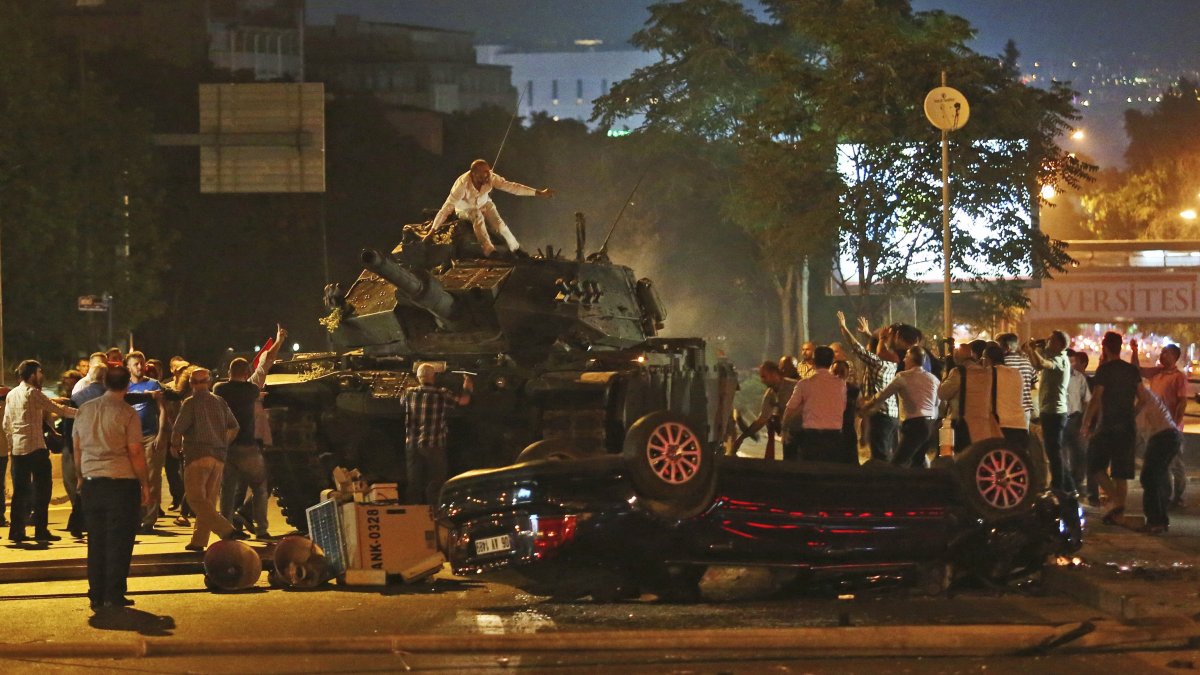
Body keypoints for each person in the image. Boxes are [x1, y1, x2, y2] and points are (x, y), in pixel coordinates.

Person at [72, 365, 152, 611]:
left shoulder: (84, 410)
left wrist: (81, 476)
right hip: (121, 483)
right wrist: (145, 483)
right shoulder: (127, 413)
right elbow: (135, 451)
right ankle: (114, 593)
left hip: (92, 483)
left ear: (105, 383)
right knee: (120, 540)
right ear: (128, 385)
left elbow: (77, 448)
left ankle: (95, 592)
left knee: (96, 540)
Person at [3, 360, 77, 542]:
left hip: (18, 450)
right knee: (43, 491)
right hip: (36, 449)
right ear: (32, 375)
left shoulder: (11, 394)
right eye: (40, 372)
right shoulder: (33, 393)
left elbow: (6, 424)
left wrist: (13, 443)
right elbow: (58, 409)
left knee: (20, 493)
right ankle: (40, 530)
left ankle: (16, 532)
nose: (42, 376)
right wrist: (84, 412)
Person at [172, 368, 245, 551]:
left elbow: (178, 429)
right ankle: (199, 540)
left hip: (197, 455)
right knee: (209, 501)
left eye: (198, 382)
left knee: (196, 498)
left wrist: (175, 445)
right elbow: (235, 426)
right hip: (219, 457)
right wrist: (222, 441)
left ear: (191, 384)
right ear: (210, 381)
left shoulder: (190, 403)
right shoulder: (219, 402)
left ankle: (226, 529)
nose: (198, 386)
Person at [428, 159, 554, 258]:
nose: (487, 176)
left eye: (488, 172)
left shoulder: (490, 177)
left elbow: (512, 187)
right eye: (483, 174)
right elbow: (446, 208)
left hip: (484, 203)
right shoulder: (461, 185)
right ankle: (489, 250)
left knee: (500, 225)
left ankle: (515, 248)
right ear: (474, 174)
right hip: (465, 209)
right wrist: (432, 231)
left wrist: (539, 193)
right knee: (477, 215)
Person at [1082, 331, 1145, 525]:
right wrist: (1131, 414)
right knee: (1121, 473)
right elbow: (1143, 398)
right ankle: (1118, 515)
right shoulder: (1132, 370)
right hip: (1127, 426)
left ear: (1105, 347)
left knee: (1095, 464)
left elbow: (1096, 398)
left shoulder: (1105, 370)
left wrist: (1085, 423)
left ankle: (1116, 503)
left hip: (1108, 425)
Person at [215, 357, 271, 539]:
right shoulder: (252, 390)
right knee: (260, 487)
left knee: (228, 490)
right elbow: (256, 392)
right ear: (247, 374)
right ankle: (261, 529)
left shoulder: (219, 389)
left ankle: (226, 528)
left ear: (229, 372)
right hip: (248, 446)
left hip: (226, 446)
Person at [401, 363, 472, 504]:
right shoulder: (441, 394)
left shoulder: (408, 393)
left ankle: (413, 513)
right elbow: (463, 401)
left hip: (412, 445)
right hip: (434, 444)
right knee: (437, 480)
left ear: (418, 377)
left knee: (414, 482)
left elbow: (402, 401)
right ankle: (433, 511)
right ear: (433, 377)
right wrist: (467, 386)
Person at [1131, 340, 1188, 508]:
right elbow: (1136, 371)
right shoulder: (1157, 373)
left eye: (1166, 353)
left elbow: (1182, 403)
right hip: (1155, 427)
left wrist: (1176, 425)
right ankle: (1166, 495)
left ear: (1175, 357)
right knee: (1161, 464)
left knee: (1175, 463)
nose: (1162, 356)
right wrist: (1135, 350)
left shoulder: (1179, 377)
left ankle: (1179, 496)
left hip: (1171, 428)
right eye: (1162, 352)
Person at [837, 312, 898, 462]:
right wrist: (870, 334)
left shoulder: (877, 363)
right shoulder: (891, 363)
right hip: (891, 414)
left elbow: (857, 348)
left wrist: (844, 327)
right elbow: (877, 349)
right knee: (886, 452)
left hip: (881, 414)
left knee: (880, 455)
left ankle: (882, 482)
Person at [864, 346, 939, 468]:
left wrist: (868, 405)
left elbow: (882, 395)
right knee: (918, 462)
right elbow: (937, 402)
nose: (904, 360)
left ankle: (896, 486)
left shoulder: (902, 377)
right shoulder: (933, 379)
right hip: (930, 424)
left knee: (897, 463)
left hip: (915, 424)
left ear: (912, 359)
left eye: (906, 357)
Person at [1025, 331, 1073, 491]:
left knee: (1054, 452)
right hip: (1050, 411)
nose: (1047, 341)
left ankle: (1060, 486)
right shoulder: (1056, 358)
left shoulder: (1059, 360)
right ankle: (1066, 486)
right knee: (1053, 451)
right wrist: (1032, 352)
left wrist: (1032, 351)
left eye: (1051, 340)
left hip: (1054, 412)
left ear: (1060, 344)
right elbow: (1037, 365)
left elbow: (1043, 364)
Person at [781, 346, 848, 463]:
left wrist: (784, 429)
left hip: (811, 437)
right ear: (832, 362)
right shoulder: (841, 385)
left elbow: (790, 409)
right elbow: (842, 407)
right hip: (834, 436)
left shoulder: (804, 384)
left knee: (810, 472)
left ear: (814, 361)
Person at [126, 352, 166, 532]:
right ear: (128, 367)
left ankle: (149, 519)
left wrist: (160, 434)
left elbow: (162, 410)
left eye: (141, 364)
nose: (140, 367)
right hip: (130, 438)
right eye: (136, 364)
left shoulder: (153, 384)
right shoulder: (125, 386)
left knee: (151, 478)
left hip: (150, 436)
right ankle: (136, 516)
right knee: (132, 479)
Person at [1136, 386, 1182, 535]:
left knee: (1149, 478)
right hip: (1168, 436)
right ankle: (1160, 520)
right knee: (1157, 478)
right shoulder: (1142, 395)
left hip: (1163, 437)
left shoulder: (1141, 395)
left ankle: (1155, 522)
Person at [730, 361, 797, 460]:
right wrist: (741, 438)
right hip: (789, 435)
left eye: (764, 376)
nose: (762, 380)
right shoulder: (770, 394)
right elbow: (762, 419)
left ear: (774, 374)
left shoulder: (794, 387)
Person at [1064, 350, 1093, 501]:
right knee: (1060, 455)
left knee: (1079, 454)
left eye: (1073, 361)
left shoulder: (1079, 378)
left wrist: (1085, 421)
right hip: (1059, 419)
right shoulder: (1053, 376)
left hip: (1075, 419)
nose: (1071, 364)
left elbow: (1088, 400)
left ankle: (1077, 484)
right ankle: (1063, 486)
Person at [997, 333, 1038, 424]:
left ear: (1007, 347)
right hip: (1025, 410)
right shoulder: (1027, 362)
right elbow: (1034, 385)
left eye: (1000, 347)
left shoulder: (1002, 364)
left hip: (1007, 410)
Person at [832, 360, 860, 463]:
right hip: (832, 432)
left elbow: (859, 411)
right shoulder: (826, 390)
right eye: (835, 371)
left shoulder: (854, 390)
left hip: (848, 430)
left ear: (847, 373)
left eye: (841, 372)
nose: (838, 375)